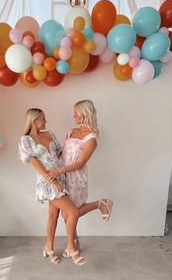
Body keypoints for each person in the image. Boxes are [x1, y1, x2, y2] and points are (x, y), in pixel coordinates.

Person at [18, 108, 86, 266]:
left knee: (53, 216)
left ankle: (48, 247)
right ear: (34, 121)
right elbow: (34, 162)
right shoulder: (26, 140)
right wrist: (51, 180)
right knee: (73, 211)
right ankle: (72, 248)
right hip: (46, 182)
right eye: (43, 119)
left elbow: (61, 154)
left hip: (61, 178)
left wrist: (77, 148)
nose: (46, 121)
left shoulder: (50, 134)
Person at [46, 100, 113, 250]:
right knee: (68, 213)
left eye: (76, 112)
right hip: (62, 177)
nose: (73, 115)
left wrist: (59, 170)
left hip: (76, 178)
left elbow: (80, 162)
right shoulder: (70, 132)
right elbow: (63, 154)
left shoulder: (91, 139)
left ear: (85, 114)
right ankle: (74, 242)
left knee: (69, 214)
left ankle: (100, 204)